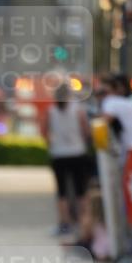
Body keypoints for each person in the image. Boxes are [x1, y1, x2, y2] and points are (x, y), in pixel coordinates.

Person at [43, 83, 91, 238]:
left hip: (58, 154)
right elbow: (86, 131)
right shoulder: (78, 110)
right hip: (77, 152)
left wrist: (52, 144)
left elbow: (44, 131)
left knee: (62, 191)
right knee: (81, 190)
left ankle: (65, 223)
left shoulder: (51, 111)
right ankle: (83, 222)